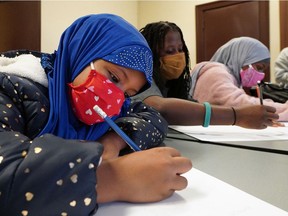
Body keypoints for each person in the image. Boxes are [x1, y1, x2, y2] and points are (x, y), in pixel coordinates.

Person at [0, 14, 192, 216]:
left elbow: (152, 116)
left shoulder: (116, 105)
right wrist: (112, 179)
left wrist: (112, 141)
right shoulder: (13, 90)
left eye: (127, 93)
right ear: (83, 52)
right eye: (114, 77)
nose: (116, 98)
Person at [132, 21, 280, 128]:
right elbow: (160, 107)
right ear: (150, 53)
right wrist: (237, 116)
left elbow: (192, 106)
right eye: (170, 51)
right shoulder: (139, 78)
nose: (178, 56)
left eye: (180, 49)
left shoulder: (172, 84)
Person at [189, 36, 288, 121]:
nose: (261, 75)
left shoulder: (231, 77)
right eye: (259, 68)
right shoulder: (216, 73)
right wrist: (283, 107)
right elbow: (238, 103)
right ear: (242, 58)